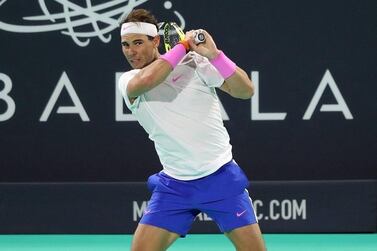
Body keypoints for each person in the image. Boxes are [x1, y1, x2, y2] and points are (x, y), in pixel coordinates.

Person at [118, 8, 266, 251]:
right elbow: (147, 81)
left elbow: (246, 90)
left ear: (155, 41)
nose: (131, 51)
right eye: (125, 44)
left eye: (137, 43)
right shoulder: (128, 81)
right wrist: (185, 45)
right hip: (175, 186)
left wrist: (215, 55)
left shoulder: (195, 63)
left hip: (220, 178)